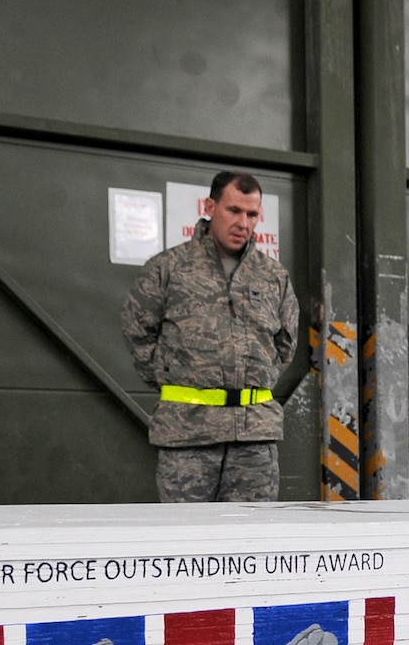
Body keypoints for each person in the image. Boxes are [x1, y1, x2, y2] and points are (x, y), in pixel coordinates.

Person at [120, 170, 299, 503]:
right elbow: (137, 331)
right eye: (234, 211)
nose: (243, 223)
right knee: (188, 546)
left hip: (254, 440)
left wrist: (258, 377)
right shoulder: (168, 268)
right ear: (210, 206)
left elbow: (285, 344)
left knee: (252, 546)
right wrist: (169, 373)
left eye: (252, 214)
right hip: (188, 437)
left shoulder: (273, 276)